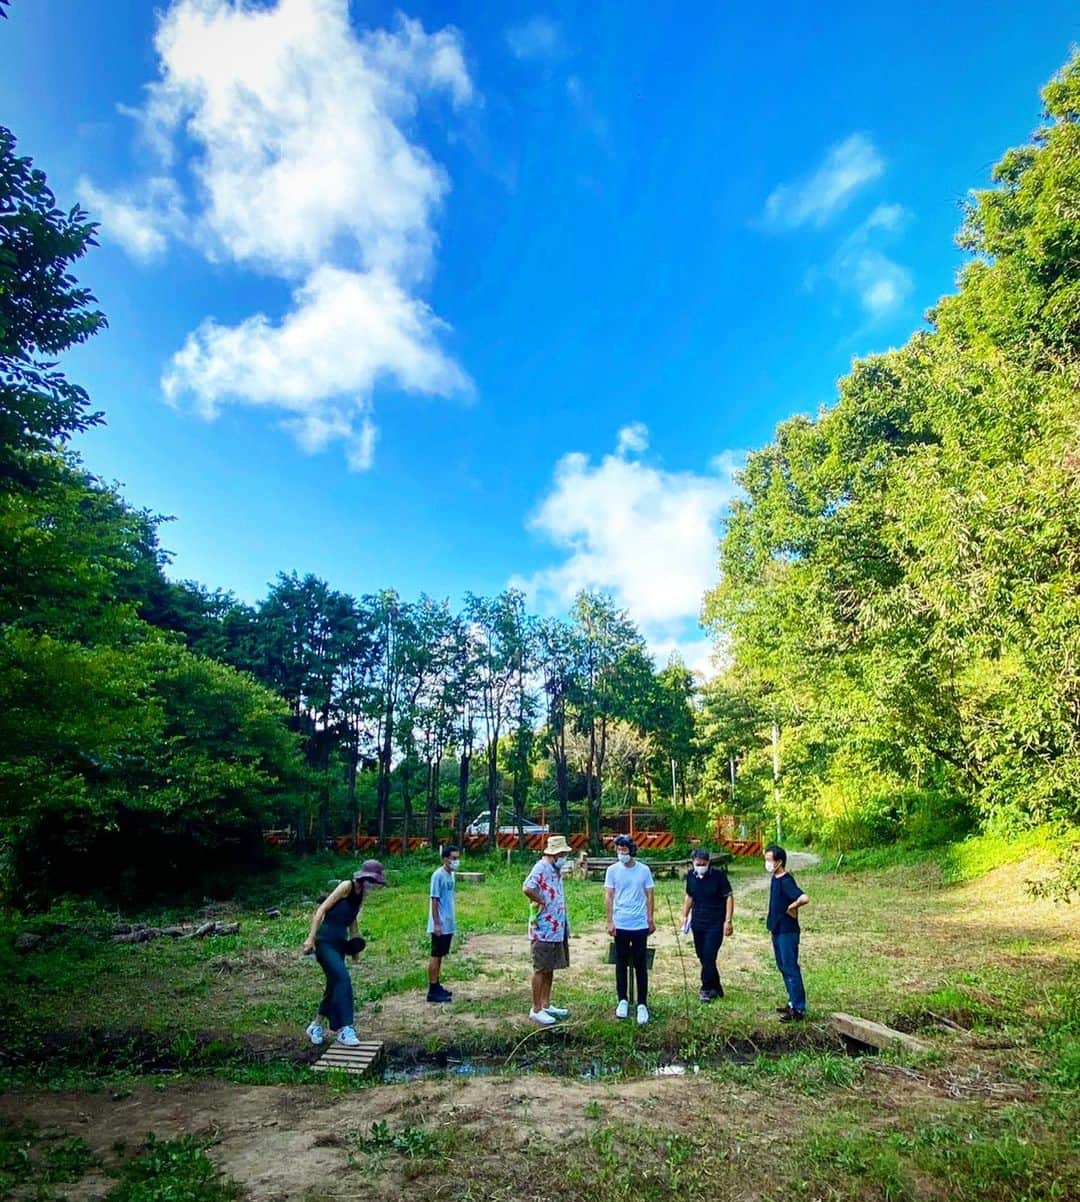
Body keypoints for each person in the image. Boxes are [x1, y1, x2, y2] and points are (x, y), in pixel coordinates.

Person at [302, 859, 386, 1047]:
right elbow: (321, 910)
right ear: (364, 877)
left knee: (334, 985)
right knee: (343, 979)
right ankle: (344, 1028)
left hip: (340, 942)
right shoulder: (346, 886)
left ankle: (315, 1025)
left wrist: (354, 947)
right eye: (372, 882)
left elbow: (353, 921)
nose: (373, 886)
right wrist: (311, 938)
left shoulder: (361, 894)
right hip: (325, 941)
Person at [522, 834, 573, 1026]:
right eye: (562, 854)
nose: (564, 857)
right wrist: (540, 900)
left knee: (550, 967)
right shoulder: (541, 867)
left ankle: (546, 1004)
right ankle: (536, 1009)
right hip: (543, 928)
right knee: (541, 968)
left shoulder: (555, 869)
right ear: (554, 854)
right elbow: (527, 888)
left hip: (556, 927)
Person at [604, 835, 655, 1025]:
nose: (621, 854)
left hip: (639, 923)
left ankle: (642, 1003)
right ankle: (622, 1000)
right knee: (621, 962)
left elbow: (650, 895)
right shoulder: (612, 871)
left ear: (631, 850)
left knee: (640, 963)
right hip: (621, 923)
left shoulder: (643, 870)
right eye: (618, 850)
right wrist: (610, 921)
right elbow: (609, 896)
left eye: (624, 850)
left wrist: (650, 919)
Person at [680, 848, 734, 1002]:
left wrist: (728, 920)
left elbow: (728, 897)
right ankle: (716, 987)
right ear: (693, 863)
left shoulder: (718, 876)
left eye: (704, 863)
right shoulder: (691, 876)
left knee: (709, 955)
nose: (701, 866)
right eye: (698, 864)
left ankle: (706, 988)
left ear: (709, 862)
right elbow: (689, 896)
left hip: (715, 922)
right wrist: (684, 914)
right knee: (702, 955)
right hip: (698, 922)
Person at [764, 843, 810, 1022]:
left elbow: (804, 897)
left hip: (787, 931)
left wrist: (793, 906)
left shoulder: (786, 880)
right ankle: (792, 1002)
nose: (767, 863)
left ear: (779, 861)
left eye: (769, 860)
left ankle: (799, 1008)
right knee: (783, 967)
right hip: (777, 929)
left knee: (790, 967)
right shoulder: (775, 878)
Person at [427, 844, 460, 1003]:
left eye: (457, 858)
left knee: (441, 956)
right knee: (435, 955)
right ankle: (432, 990)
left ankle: (437, 984)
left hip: (448, 922)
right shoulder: (437, 875)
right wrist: (437, 923)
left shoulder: (451, 875)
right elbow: (434, 900)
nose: (456, 861)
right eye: (453, 858)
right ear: (445, 859)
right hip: (439, 923)